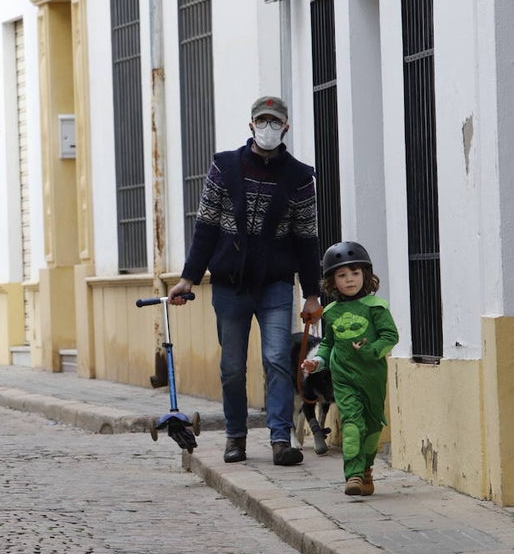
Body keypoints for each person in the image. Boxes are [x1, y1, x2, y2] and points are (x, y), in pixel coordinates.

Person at [168, 95, 322, 466]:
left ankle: (280, 439)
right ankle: (235, 437)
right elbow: (205, 226)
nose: (268, 127)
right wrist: (189, 278)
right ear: (251, 125)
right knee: (233, 366)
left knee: (277, 360)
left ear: (285, 127)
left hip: (275, 285)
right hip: (230, 284)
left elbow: (307, 238)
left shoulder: (300, 177)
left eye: (275, 122)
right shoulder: (225, 167)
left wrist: (313, 294)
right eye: (262, 121)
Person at [301, 241, 399, 496]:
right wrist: (317, 362)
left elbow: (390, 337)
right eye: (342, 275)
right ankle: (353, 475)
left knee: (372, 426)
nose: (349, 280)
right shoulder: (331, 312)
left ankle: (366, 470)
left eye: (355, 273)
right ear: (332, 281)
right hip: (343, 379)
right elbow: (327, 345)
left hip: (372, 379)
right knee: (353, 423)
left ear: (365, 275)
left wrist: (368, 351)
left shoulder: (376, 308)